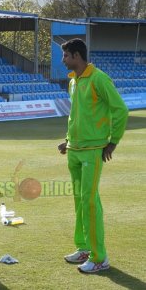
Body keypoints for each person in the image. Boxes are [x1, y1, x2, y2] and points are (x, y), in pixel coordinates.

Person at [58, 38, 128, 273]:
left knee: (89, 202)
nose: (63, 60)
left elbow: (120, 109)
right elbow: (76, 116)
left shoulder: (99, 78)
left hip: (92, 151)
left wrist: (113, 142)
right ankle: (84, 248)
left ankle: (100, 258)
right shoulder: (73, 82)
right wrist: (68, 141)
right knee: (79, 201)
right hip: (74, 150)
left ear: (76, 55)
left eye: (66, 56)